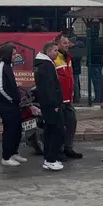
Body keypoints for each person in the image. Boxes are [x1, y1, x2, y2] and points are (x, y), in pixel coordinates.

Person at [34, 42, 65, 171]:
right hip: (50, 105)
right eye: (55, 51)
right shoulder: (46, 66)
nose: (57, 53)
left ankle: (49, 158)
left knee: (49, 131)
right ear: (48, 52)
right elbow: (49, 87)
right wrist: (55, 104)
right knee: (55, 131)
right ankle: (51, 159)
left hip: (47, 104)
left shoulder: (43, 64)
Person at [0, 44, 27, 167]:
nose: (15, 56)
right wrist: (10, 99)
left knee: (17, 129)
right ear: (7, 54)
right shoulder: (1, 66)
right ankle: (6, 156)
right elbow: (1, 87)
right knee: (9, 130)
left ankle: (14, 152)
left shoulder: (9, 66)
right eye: (13, 54)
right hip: (7, 105)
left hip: (14, 104)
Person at [54, 33, 82, 160]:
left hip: (68, 100)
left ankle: (68, 148)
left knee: (72, 122)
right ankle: (58, 150)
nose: (67, 45)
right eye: (64, 43)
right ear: (57, 44)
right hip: (58, 100)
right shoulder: (54, 59)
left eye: (67, 43)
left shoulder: (68, 58)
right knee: (59, 126)